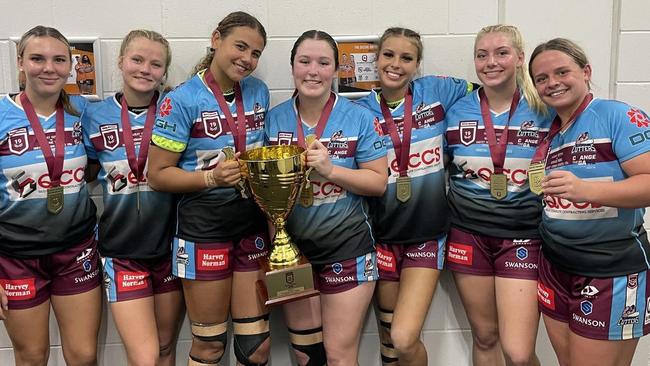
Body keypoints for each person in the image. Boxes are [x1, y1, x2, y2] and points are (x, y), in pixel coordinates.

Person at [146, 11, 271, 366]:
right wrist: (211, 179)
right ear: (216, 39)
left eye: (256, 53)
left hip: (251, 225)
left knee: (256, 347)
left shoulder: (259, 91)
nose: (247, 59)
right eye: (241, 47)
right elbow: (157, 175)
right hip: (204, 229)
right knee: (210, 345)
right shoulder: (182, 99)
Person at [265, 29, 388, 366]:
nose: (313, 71)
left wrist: (331, 171)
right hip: (293, 253)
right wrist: (277, 246)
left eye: (323, 63)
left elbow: (378, 182)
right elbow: (267, 195)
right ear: (292, 67)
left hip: (346, 247)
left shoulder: (360, 117)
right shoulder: (273, 120)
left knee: (338, 356)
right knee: (306, 355)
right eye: (304, 61)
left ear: (335, 70)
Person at [355, 27, 474, 366]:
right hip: (379, 237)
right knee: (390, 344)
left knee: (404, 338)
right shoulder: (361, 111)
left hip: (426, 235)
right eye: (388, 55)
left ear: (417, 64)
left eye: (406, 58)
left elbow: (489, 92)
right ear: (376, 59)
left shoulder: (436, 91)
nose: (396, 64)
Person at [529, 38, 650, 366]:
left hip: (609, 269)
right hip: (555, 266)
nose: (552, 82)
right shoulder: (549, 132)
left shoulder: (617, 115)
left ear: (586, 72)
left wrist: (588, 190)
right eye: (542, 78)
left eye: (562, 72)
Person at [444, 24, 552, 366]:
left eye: (502, 53)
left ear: (520, 58)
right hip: (467, 234)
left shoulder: (545, 108)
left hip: (524, 235)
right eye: (482, 55)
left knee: (518, 353)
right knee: (485, 337)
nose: (491, 62)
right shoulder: (456, 110)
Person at [81, 29, 184, 366]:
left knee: (166, 348)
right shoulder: (94, 116)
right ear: (121, 61)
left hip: (171, 247)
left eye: (156, 64)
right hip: (122, 250)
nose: (145, 69)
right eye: (137, 59)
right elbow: (89, 173)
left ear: (164, 72)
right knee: (145, 357)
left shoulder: (175, 110)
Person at [0, 25, 101, 365]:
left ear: (71, 65)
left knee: (84, 355)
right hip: (15, 257)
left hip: (75, 250)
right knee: (31, 356)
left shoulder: (84, 112)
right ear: (20, 62)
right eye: (37, 58)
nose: (49, 68)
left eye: (59, 60)